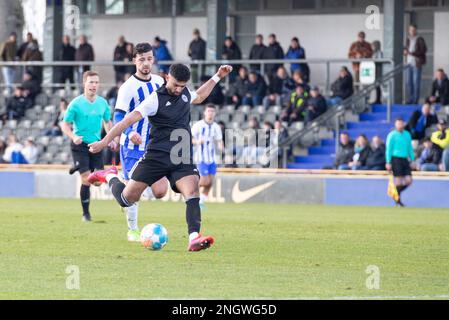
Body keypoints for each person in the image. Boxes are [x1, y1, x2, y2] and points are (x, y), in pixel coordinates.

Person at [87, 64, 233, 252]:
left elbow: (201, 95)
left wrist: (218, 76)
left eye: (182, 86)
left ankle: (194, 237)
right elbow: (126, 121)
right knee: (126, 199)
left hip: (181, 157)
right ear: (166, 78)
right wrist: (104, 142)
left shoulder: (185, 94)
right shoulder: (154, 99)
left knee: (192, 192)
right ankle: (109, 176)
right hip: (156, 157)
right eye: (175, 85)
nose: (179, 89)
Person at [112, 42, 168, 242]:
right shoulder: (128, 88)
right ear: (134, 60)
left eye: (149, 59)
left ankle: (119, 184)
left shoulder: (160, 82)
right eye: (142, 59)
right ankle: (133, 230)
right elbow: (118, 118)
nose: (146, 63)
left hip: (154, 146)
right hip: (132, 148)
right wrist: (128, 132)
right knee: (133, 195)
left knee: (161, 191)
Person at [61, 71, 114, 222]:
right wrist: (73, 136)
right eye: (91, 82)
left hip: (96, 146)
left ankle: (77, 166)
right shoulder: (75, 104)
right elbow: (64, 125)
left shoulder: (103, 103)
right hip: (79, 145)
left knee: (97, 182)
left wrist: (110, 138)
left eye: (96, 82)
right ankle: (86, 214)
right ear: (84, 83)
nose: (94, 85)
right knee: (86, 179)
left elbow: (107, 122)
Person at [191, 104, 224, 209]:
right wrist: (197, 141)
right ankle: (190, 191)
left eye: (212, 111)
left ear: (215, 113)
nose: (210, 113)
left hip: (212, 158)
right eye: (209, 111)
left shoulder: (216, 127)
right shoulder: (198, 125)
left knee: (210, 182)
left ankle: (201, 202)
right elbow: (189, 139)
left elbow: (219, 140)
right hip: (201, 157)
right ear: (205, 112)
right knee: (205, 181)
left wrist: (222, 147)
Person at [386, 118, 415, 207]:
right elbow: (389, 149)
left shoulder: (407, 134)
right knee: (398, 180)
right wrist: (388, 161)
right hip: (396, 159)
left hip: (405, 159)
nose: (400, 126)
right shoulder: (392, 135)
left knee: (409, 180)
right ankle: (398, 201)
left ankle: (395, 194)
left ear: (403, 124)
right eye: (398, 124)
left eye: (401, 124)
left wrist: (412, 159)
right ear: (395, 125)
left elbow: (410, 148)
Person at [404, 24, 427, 104]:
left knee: (416, 82)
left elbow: (423, 50)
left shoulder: (420, 39)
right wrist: (406, 53)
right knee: (408, 82)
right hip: (408, 63)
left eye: (413, 30)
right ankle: (410, 99)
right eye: (410, 30)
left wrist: (411, 53)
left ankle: (415, 100)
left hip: (417, 64)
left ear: (416, 30)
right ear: (409, 30)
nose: (412, 31)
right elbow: (407, 50)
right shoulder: (408, 39)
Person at [371, 40, 383, 104]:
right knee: (376, 86)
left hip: (378, 71)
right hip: (374, 71)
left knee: (378, 85)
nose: (372, 47)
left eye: (373, 46)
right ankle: (377, 99)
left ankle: (378, 99)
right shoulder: (374, 53)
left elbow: (379, 61)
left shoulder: (379, 53)